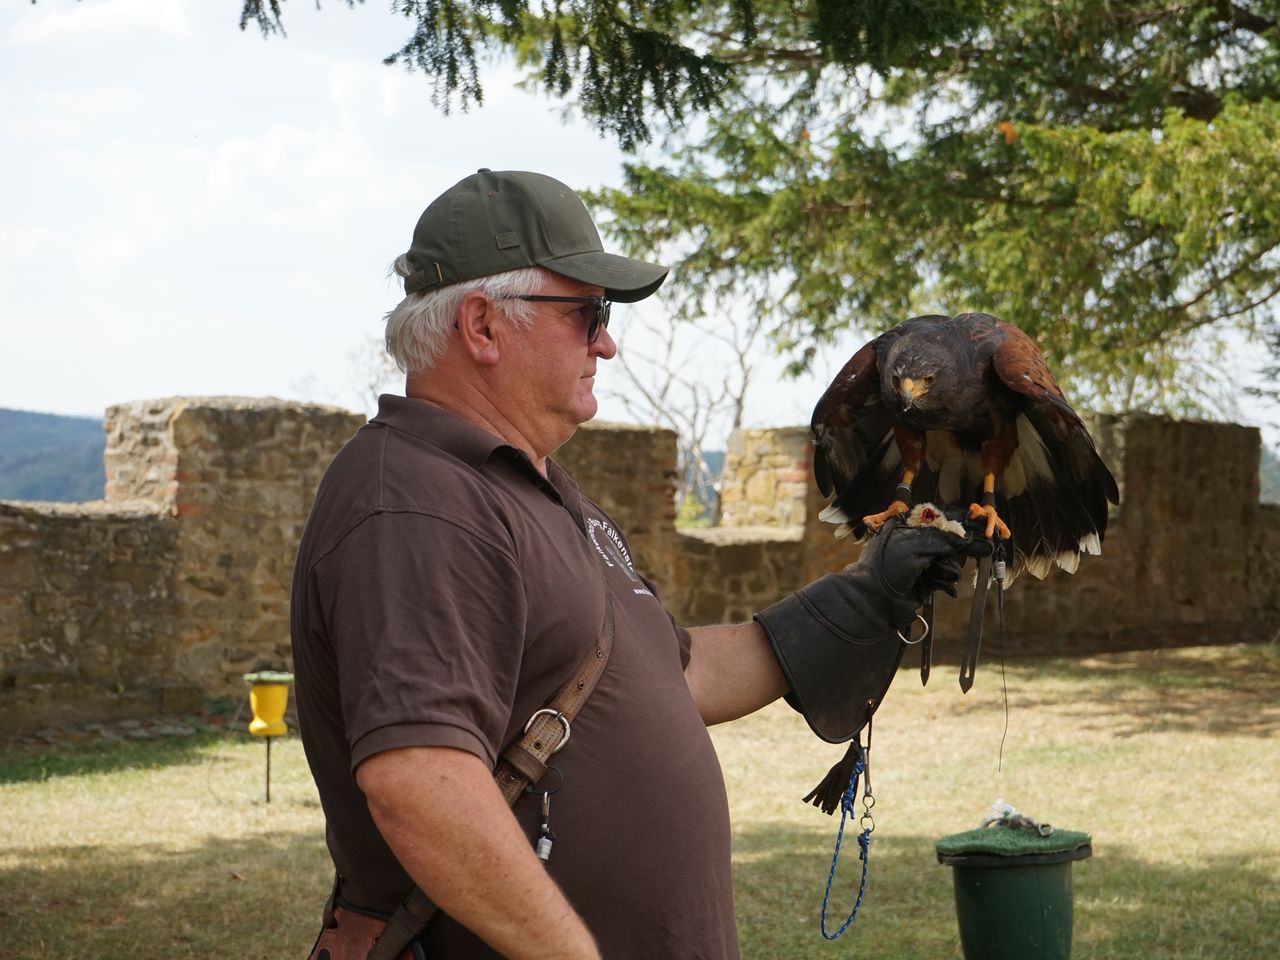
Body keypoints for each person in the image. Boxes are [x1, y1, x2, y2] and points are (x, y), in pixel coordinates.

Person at [290, 169, 986, 959]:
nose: (607, 340)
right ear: (482, 326)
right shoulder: (417, 504)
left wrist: (866, 598)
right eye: (588, 312)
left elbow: (669, 676)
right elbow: (421, 783)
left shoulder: (529, 486)